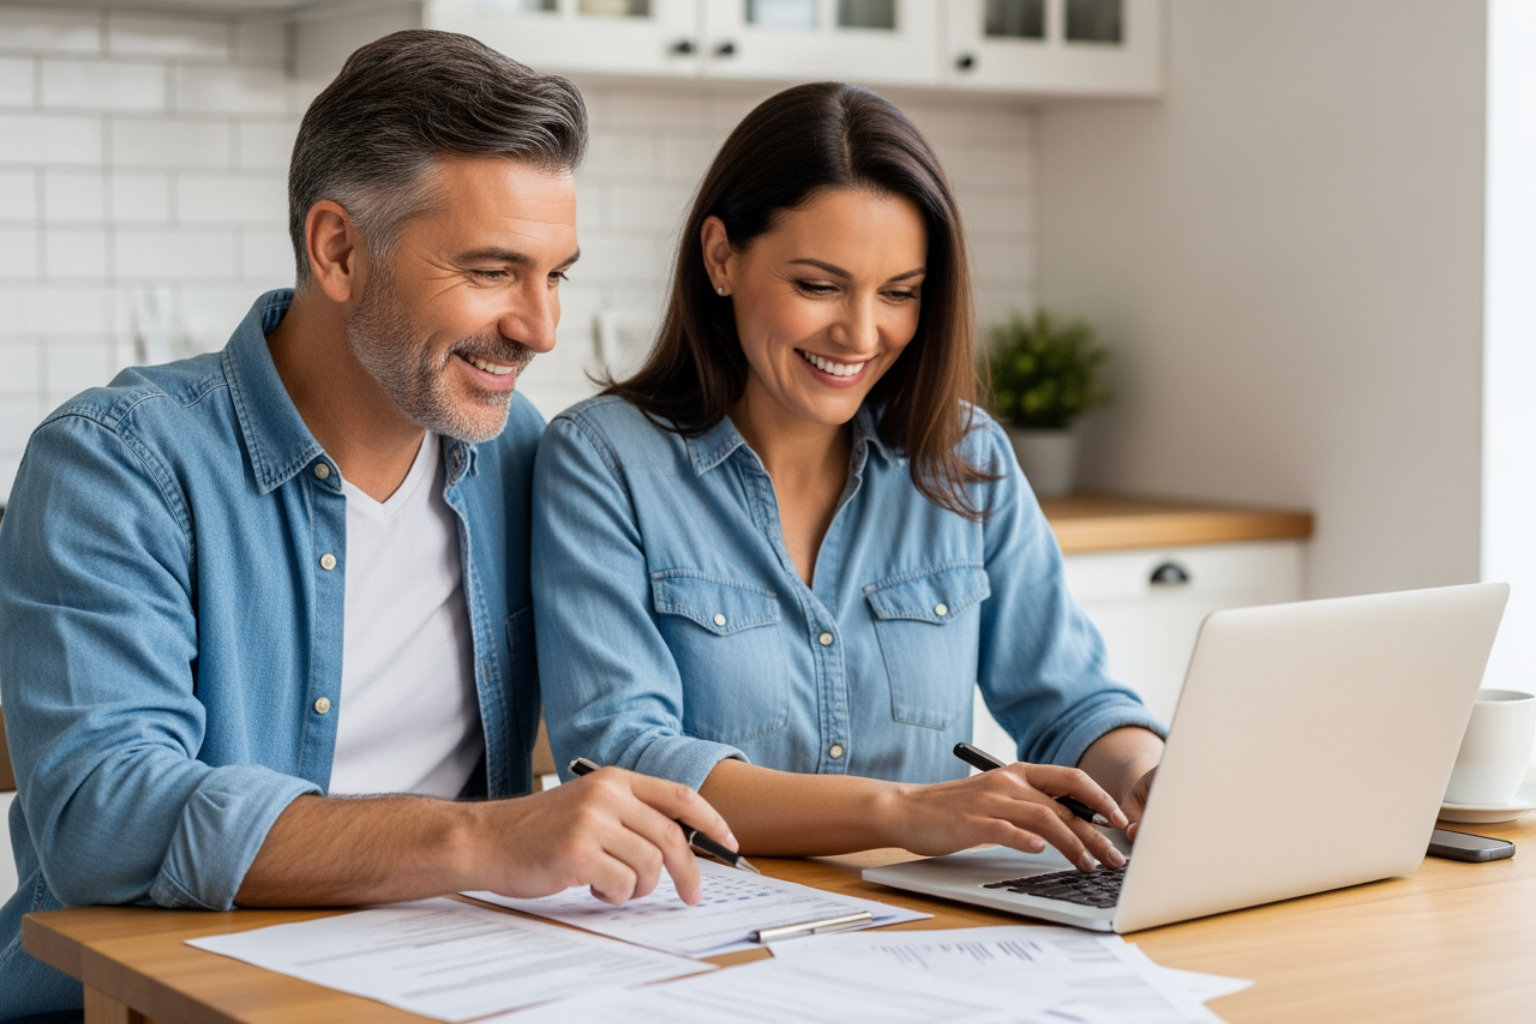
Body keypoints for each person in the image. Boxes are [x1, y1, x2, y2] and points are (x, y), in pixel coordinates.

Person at [0, 31, 732, 1021]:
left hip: (464, 982)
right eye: (492, 271)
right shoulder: (119, 461)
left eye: (555, 273)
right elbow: (104, 816)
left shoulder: (524, 455)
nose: (541, 327)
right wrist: (486, 840)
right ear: (338, 249)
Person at [533, 82, 1165, 870]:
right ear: (721, 257)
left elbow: (1072, 701)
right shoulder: (603, 462)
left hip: (928, 931)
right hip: (712, 936)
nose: (862, 333)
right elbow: (627, 760)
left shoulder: (964, 459)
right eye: (818, 286)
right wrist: (902, 811)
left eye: (899, 293)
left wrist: (1145, 774)